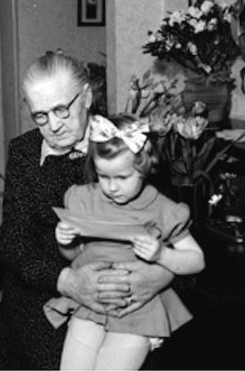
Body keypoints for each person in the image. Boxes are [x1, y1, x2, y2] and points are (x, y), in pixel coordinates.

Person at [0, 51, 176, 370]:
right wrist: (68, 281)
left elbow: (171, 234)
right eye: (41, 116)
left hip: (122, 293)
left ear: (86, 97)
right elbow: (14, 243)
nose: (53, 126)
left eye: (61, 110)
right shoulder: (25, 151)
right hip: (44, 292)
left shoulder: (126, 143)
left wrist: (153, 278)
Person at [45, 114, 205, 370]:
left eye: (122, 177)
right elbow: (76, 256)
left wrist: (162, 255)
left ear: (144, 167)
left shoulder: (163, 209)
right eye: (103, 176)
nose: (112, 187)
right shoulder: (84, 199)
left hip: (138, 311)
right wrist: (66, 242)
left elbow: (197, 260)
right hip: (92, 303)